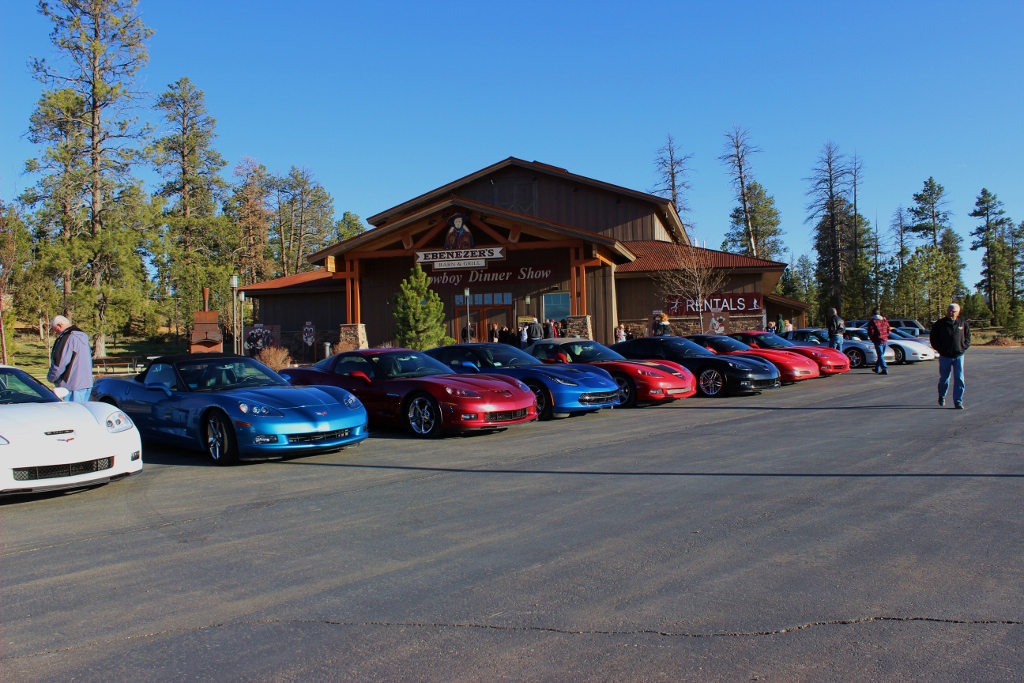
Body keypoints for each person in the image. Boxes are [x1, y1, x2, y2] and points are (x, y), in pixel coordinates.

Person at [930, 303, 971, 409]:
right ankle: (942, 395)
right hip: (945, 356)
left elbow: (968, 338)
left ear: (958, 312)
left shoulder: (962, 323)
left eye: (953, 311)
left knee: (959, 378)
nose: (950, 312)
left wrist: (963, 347)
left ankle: (958, 401)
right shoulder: (940, 324)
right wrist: (940, 349)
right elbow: (933, 338)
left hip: (959, 355)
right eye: (949, 310)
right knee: (944, 378)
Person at [47, 315, 94, 402]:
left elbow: (60, 363)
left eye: (55, 329)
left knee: (72, 413)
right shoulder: (83, 337)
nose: (56, 333)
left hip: (71, 386)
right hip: (87, 384)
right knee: (83, 412)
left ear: (60, 325)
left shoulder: (67, 338)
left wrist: (51, 377)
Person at [866, 307, 891, 375]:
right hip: (885, 339)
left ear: (872, 313)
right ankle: (877, 368)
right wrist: (886, 335)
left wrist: (872, 338)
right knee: (881, 355)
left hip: (877, 339)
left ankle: (884, 369)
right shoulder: (884, 320)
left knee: (880, 355)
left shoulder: (873, 321)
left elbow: (871, 331)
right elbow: (888, 329)